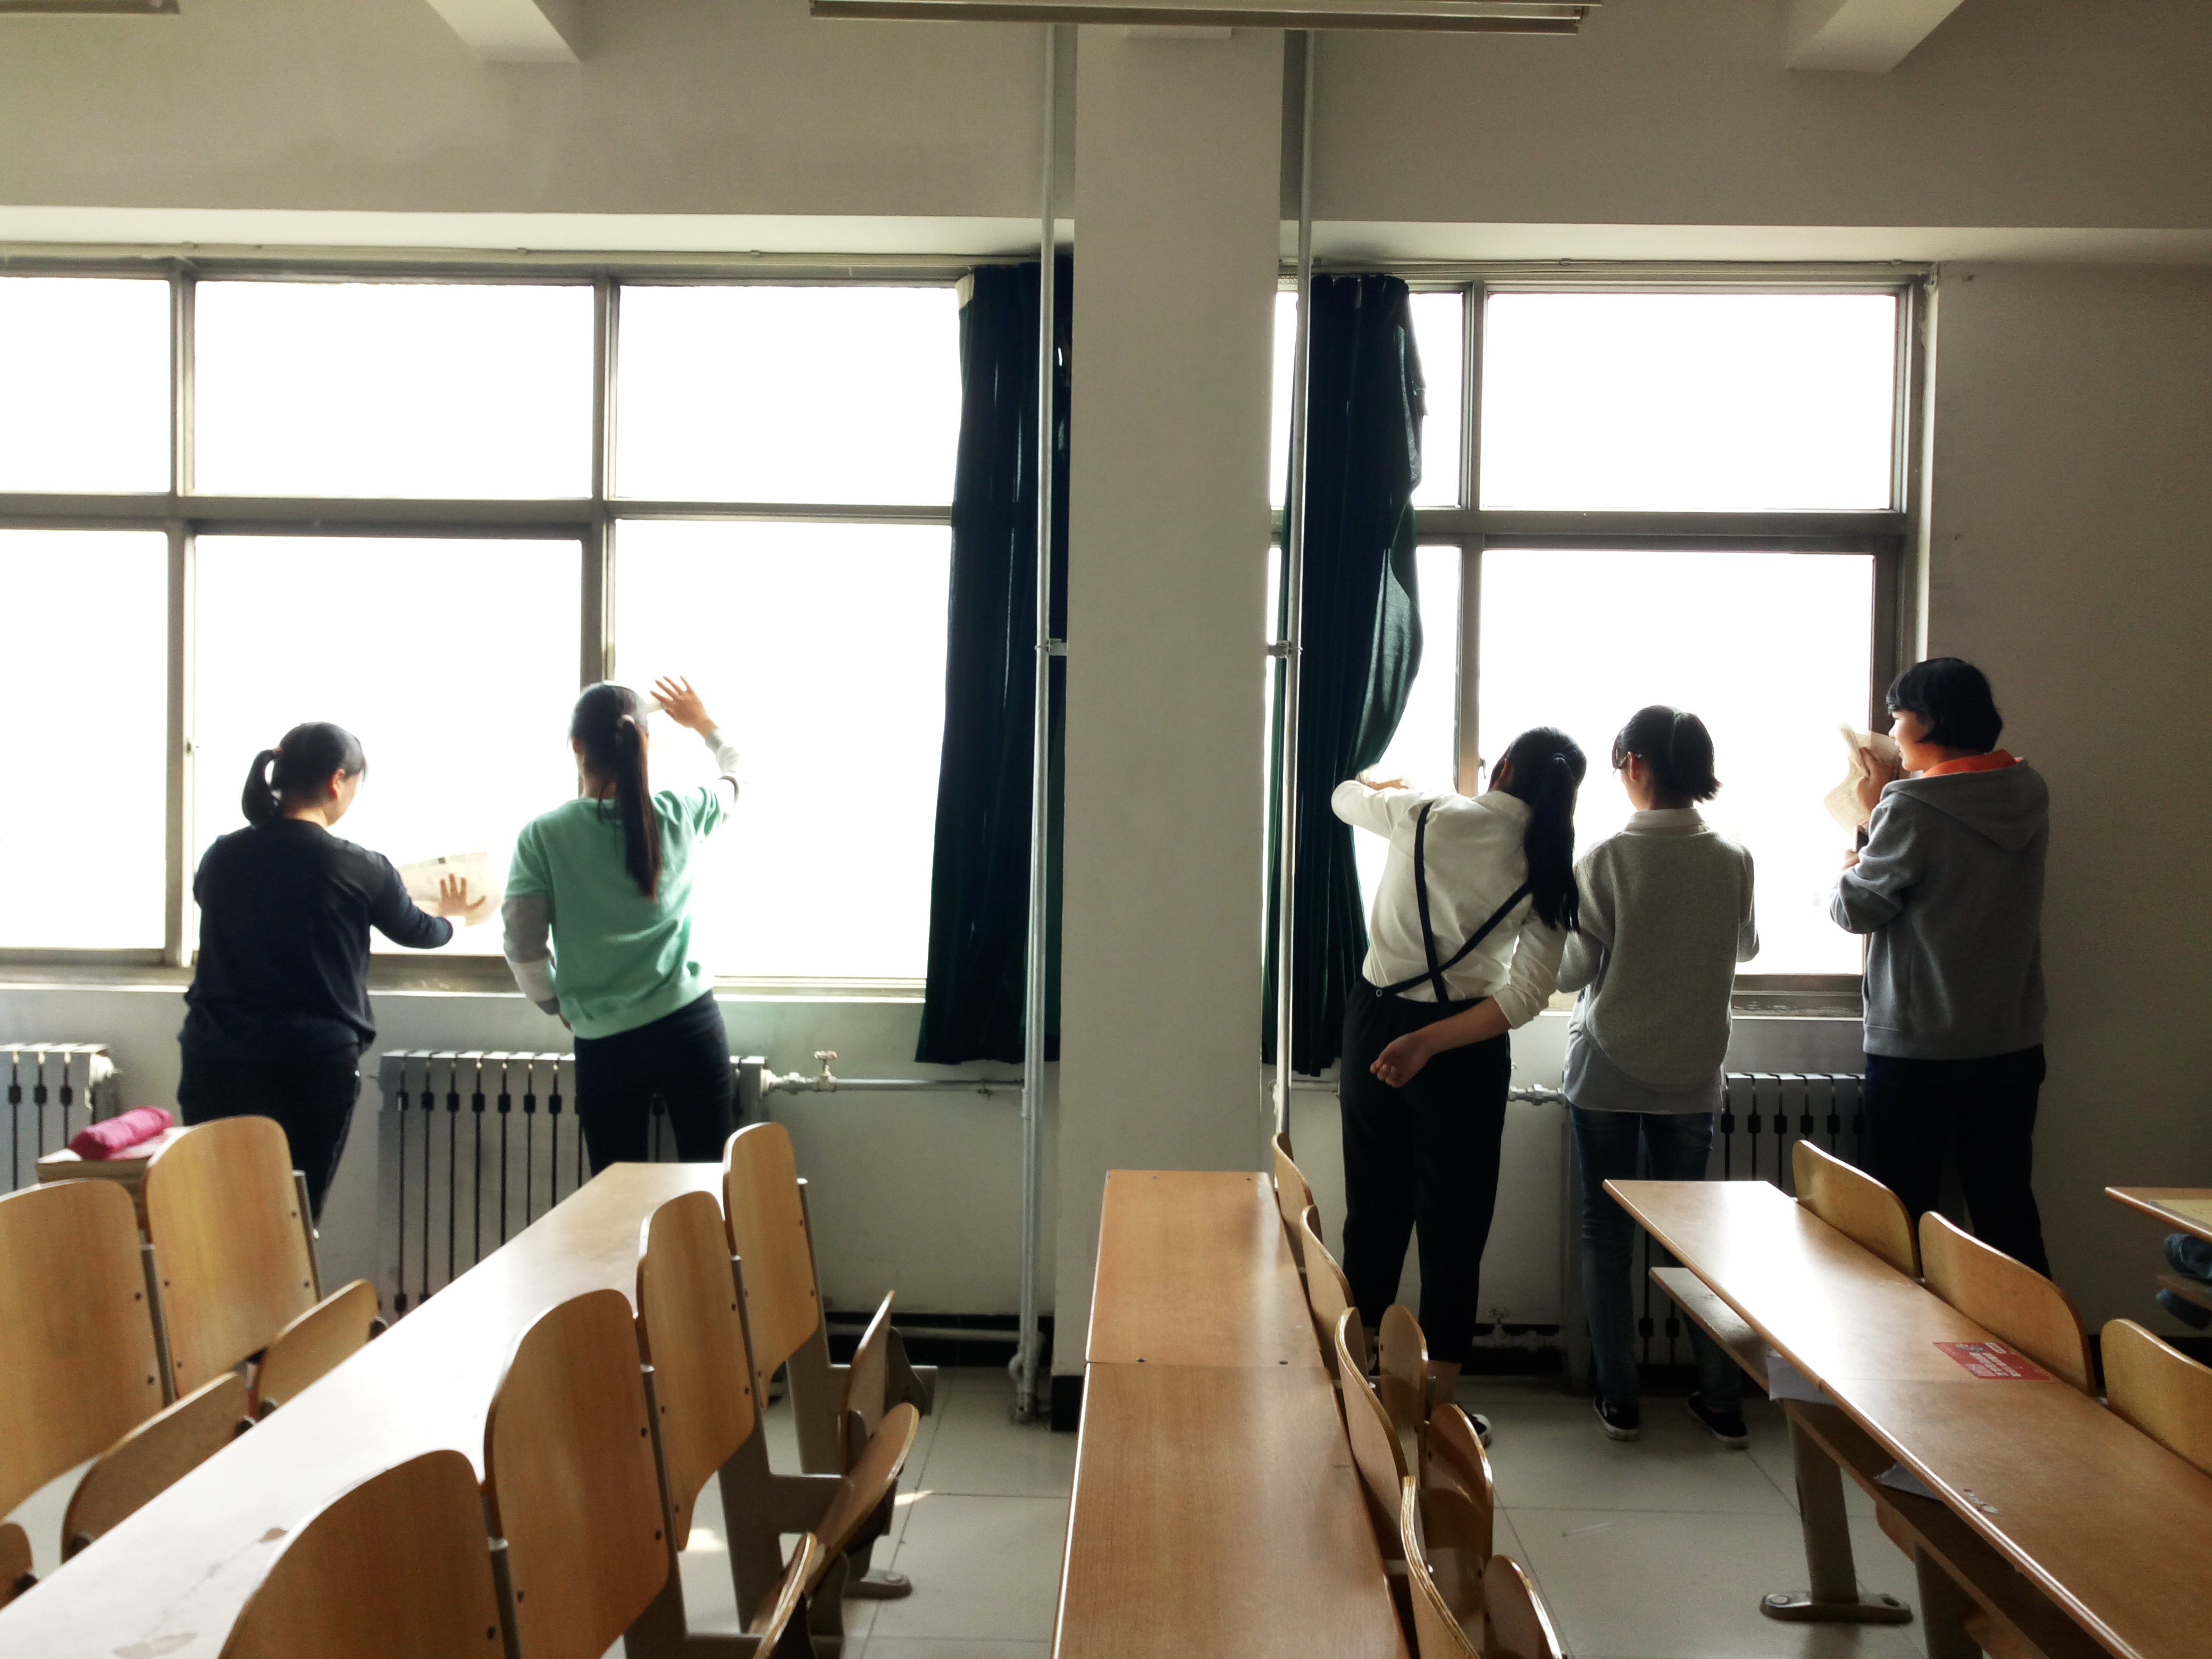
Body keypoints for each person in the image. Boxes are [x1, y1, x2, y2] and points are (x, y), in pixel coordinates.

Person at [1333, 727, 1585, 1407]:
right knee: (1455, 1228)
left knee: (1372, 1213)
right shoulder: (1548, 863)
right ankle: (1435, 1411)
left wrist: (1375, 782)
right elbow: (1524, 997)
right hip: (1466, 1048)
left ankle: (1353, 1395)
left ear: (1500, 770)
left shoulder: (1424, 812)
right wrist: (1430, 1043)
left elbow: (1341, 799)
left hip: (1376, 1023)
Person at [179, 722, 486, 1218]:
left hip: (214, 1058)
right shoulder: (358, 866)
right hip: (309, 1064)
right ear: (337, 781)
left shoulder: (222, 855)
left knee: (218, 1216)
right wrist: (453, 920)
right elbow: (418, 931)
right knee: (293, 1214)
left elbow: (220, 906)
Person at [1556, 707, 1758, 1447]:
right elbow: (1747, 947)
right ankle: (1721, 1400)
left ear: (1635, 763)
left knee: (1605, 1234)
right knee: (1691, 1242)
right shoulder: (1732, 857)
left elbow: (1573, 970)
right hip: (1693, 1074)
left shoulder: (1605, 859)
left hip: (1608, 1071)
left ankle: (1620, 1399)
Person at [1833, 657, 2051, 1273]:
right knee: (2005, 1210)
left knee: (1899, 1216)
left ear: (1927, 722)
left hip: (1918, 1045)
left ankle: (1900, 1338)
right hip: (2009, 1040)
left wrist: (1864, 825)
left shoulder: (1909, 806)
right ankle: (2038, 1335)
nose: (1892, 732)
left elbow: (1854, 909)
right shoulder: (2027, 791)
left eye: (1897, 716)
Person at [504, 676, 741, 1173]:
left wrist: (553, 1002)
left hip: (606, 1044)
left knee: (616, 1198)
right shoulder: (680, 812)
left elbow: (523, 944)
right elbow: (738, 777)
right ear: (643, 744)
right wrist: (704, 725)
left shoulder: (543, 836)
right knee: (710, 1186)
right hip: (691, 1028)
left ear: (577, 746)